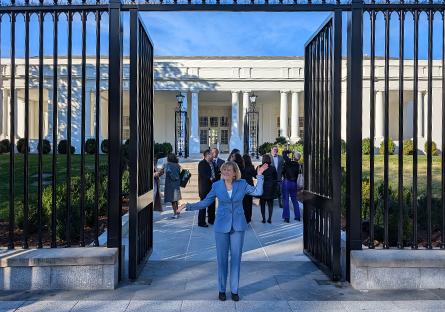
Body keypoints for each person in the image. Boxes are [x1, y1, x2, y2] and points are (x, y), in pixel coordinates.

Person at [177, 161, 268, 302]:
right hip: (221, 227)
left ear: (234, 173)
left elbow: (258, 192)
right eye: (224, 169)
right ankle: (221, 290)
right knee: (222, 259)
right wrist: (187, 206)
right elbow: (206, 202)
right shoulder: (216, 186)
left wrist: (260, 175)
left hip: (238, 226)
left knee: (236, 259)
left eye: (229, 170)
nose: (225, 172)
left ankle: (235, 290)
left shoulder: (242, 184)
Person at [281, 150, 302, 223]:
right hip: (294, 183)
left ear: (293, 156)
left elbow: (284, 154)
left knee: (286, 200)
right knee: (294, 200)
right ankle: (297, 216)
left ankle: (286, 217)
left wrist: (290, 151)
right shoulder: (298, 165)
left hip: (287, 182)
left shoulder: (289, 162)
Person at [197, 149, 216, 227]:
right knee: (203, 204)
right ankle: (201, 222)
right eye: (212, 154)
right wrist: (210, 178)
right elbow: (203, 174)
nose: (213, 155)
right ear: (207, 155)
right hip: (204, 187)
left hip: (213, 186)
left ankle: (211, 220)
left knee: (212, 204)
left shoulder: (212, 163)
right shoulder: (201, 163)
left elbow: (215, 172)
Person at [258, 154, 277, 223]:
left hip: (262, 188)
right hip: (270, 188)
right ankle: (269, 219)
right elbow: (276, 178)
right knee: (270, 204)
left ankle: (263, 219)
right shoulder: (273, 168)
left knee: (262, 204)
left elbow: (256, 176)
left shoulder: (260, 167)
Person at [163, 153, 181, 218]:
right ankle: (177, 213)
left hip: (171, 184)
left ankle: (175, 214)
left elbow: (169, 173)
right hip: (177, 184)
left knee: (173, 200)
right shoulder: (177, 165)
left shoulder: (168, 165)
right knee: (176, 200)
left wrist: (174, 178)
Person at [242, 154, 256, 223]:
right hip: (250, 186)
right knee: (249, 202)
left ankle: (244, 217)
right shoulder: (251, 166)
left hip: (242, 186)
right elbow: (255, 175)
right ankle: (249, 217)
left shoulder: (241, 167)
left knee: (243, 203)